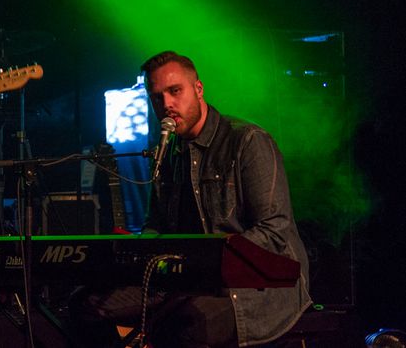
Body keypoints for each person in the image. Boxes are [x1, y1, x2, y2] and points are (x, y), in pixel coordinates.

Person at [71, 50, 311, 347]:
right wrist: (131, 254)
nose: (167, 105)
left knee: (187, 325)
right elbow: (155, 226)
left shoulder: (248, 141)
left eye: (175, 91)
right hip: (187, 280)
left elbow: (274, 231)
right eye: (157, 97)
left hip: (254, 286)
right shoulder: (167, 152)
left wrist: (205, 258)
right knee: (83, 305)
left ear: (198, 90)